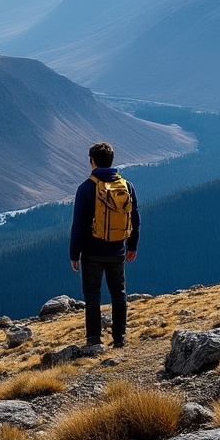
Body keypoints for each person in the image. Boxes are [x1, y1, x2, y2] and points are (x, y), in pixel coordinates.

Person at [69, 141, 140, 348]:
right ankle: (119, 339)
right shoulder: (127, 186)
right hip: (118, 250)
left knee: (92, 295)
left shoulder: (85, 188)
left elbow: (79, 225)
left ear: (92, 162)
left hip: (92, 253)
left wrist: (74, 254)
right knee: (118, 294)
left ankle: (93, 340)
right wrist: (132, 246)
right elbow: (135, 219)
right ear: (111, 160)